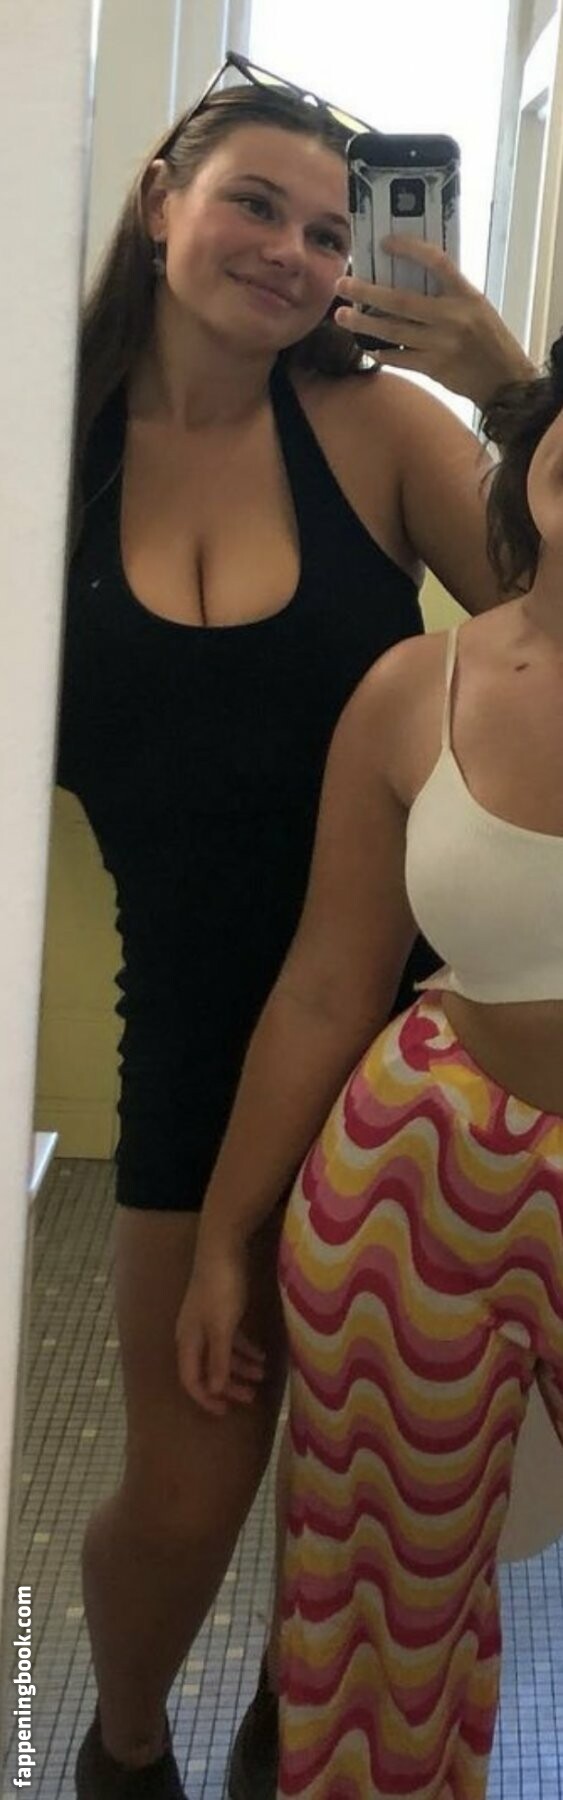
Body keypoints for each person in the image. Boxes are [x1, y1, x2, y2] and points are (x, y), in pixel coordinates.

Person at [56, 50, 532, 1800]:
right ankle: (120, 1752)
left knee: (385, 1488)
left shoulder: (381, 433)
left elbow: (561, 635)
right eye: (254, 203)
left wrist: (514, 388)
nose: (295, 251)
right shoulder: (46, 455)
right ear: (160, 201)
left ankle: (298, 1723)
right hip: (194, 1035)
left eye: (331, 233)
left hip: (420, 1046)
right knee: (186, 1491)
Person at [177, 339, 563, 1800]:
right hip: (418, 1184)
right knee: (383, 1614)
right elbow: (327, 985)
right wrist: (224, 1238)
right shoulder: (415, 688)